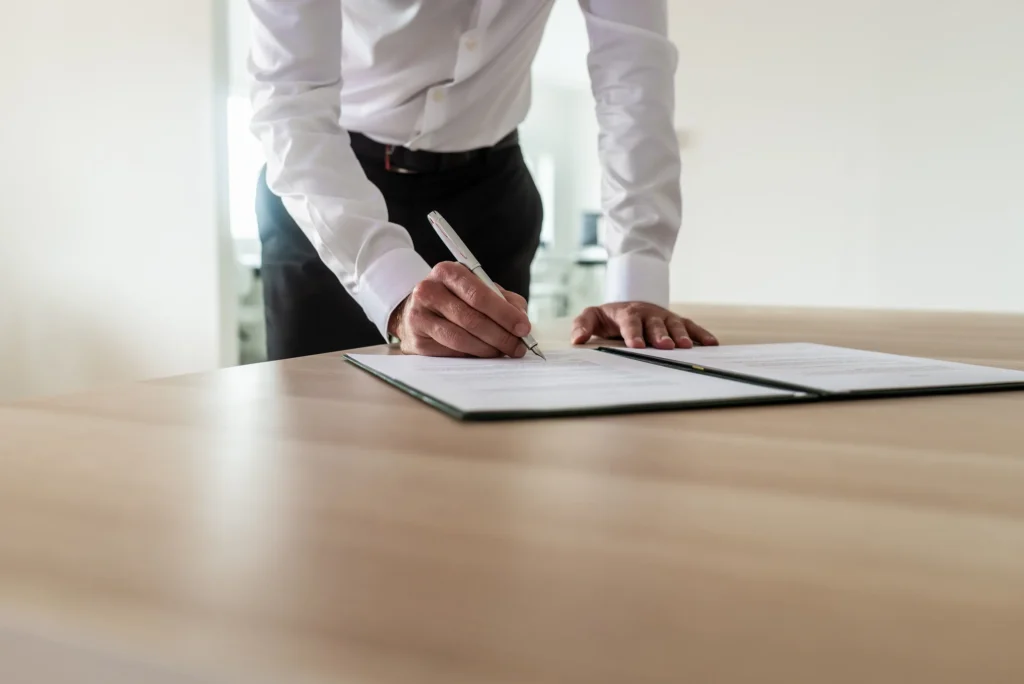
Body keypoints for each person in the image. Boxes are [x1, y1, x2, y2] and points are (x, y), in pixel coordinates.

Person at [248, 0, 719, 361]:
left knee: (489, 454)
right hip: (328, 197)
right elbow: (291, 99)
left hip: (490, 194)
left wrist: (636, 276)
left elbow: (633, 78)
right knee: (318, 439)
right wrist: (389, 288)